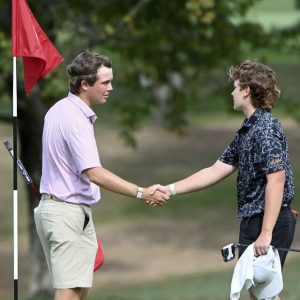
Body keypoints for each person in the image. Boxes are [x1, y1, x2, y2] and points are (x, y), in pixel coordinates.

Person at [152, 60, 296, 300]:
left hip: (269, 221)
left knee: (265, 294)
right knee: (258, 293)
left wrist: (266, 233)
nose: (232, 92)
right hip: (253, 220)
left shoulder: (266, 128)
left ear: (246, 90)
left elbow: (277, 180)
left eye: (235, 86)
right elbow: (214, 170)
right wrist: (169, 189)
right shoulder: (248, 129)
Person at [34, 51, 169, 300]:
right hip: (67, 214)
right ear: (85, 84)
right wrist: (142, 192)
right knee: (69, 293)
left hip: (63, 212)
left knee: (79, 291)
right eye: (105, 82)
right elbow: (95, 173)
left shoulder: (58, 109)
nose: (110, 88)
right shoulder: (75, 119)